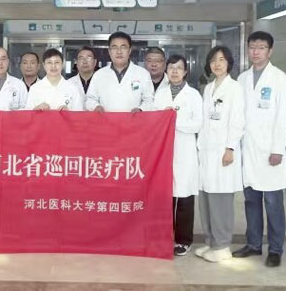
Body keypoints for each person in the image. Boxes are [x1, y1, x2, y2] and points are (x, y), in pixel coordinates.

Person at [232, 31, 286, 267]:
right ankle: (254, 244)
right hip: (248, 150)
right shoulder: (242, 79)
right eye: (252, 47)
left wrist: (278, 149)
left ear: (270, 51)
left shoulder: (279, 79)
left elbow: (283, 117)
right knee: (251, 201)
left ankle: (275, 249)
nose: (256, 52)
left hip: (270, 150)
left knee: (273, 204)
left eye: (261, 47)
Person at [195, 46, 245, 263]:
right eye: (213, 60)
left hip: (224, 151)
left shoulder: (235, 88)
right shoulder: (208, 88)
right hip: (207, 151)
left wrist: (230, 148)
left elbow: (238, 121)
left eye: (222, 60)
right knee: (206, 199)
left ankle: (222, 245)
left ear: (229, 63)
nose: (217, 64)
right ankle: (211, 242)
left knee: (221, 201)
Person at [153, 55, 203, 257]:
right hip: (164, 151)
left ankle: (183, 240)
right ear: (166, 71)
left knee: (184, 198)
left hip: (184, 151)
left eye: (179, 68)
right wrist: (163, 118)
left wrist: (174, 121)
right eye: (171, 67)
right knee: (165, 198)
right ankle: (164, 237)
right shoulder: (160, 93)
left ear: (185, 72)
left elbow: (198, 124)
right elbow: (153, 119)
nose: (174, 71)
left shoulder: (193, 95)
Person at [86, 32, 153, 112]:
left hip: (133, 119)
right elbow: (90, 99)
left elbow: (149, 100)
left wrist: (141, 109)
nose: (119, 52)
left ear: (130, 50)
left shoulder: (143, 74)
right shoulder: (99, 75)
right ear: (109, 51)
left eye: (123, 47)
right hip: (105, 119)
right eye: (114, 47)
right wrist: (95, 106)